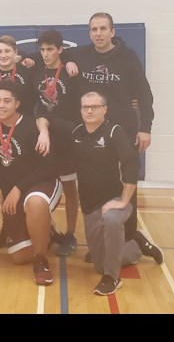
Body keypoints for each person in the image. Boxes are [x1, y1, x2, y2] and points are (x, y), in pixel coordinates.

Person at [37, 90, 163, 295]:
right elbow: (46, 117)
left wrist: (123, 200)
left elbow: (132, 163)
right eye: (85, 107)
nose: (89, 111)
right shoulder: (76, 132)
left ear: (104, 109)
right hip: (89, 205)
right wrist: (43, 131)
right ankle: (137, 245)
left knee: (112, 220)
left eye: (94, 107)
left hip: (115, 200)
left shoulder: (114, 132)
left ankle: (112, 278)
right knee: (99, 263)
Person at [72, 12, 155, 259]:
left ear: (112, 31)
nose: (98, 33)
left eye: (102, 29)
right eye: (93, 30)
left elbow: (145, 93)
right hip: (93, 131)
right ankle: (102, 244)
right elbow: (56, 54)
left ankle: (130, 239)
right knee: (97, 185)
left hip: (122, 131)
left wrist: (146, 128)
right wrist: (65, 62)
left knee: (125, 186)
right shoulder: (81, 55)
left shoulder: (128, 58)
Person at [0, 81, 61, 286]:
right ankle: (46, 232)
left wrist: (18, 188)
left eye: (7, 101)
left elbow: (49, 168)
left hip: (42, 183)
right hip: (13, 191)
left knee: (35, 202)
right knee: (18, 258)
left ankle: (41, 260)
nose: (1, 106)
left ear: (17, 103)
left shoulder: (31, 126)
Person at [31, 29, 82, 257]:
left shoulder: (71, 72)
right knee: (43, 186)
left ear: (60, 50)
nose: (45, 54)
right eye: (42, 49)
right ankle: (48, 229)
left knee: (70, 189)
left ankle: (70, 234)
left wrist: (70, 60)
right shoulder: (35, 71)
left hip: (67, 139)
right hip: (44, 137)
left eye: (50, 49)